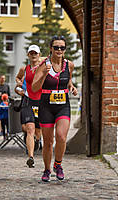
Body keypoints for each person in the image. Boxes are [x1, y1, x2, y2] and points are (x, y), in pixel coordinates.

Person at [32, 36, 78, 182]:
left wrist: (71, 86)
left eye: (62, 48)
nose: (59, 50)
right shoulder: (43, 65)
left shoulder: (69, 65)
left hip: (63, 105)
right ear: (51, 48)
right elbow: (34, 87)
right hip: (46, 106)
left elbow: (68, 79)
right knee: (48, 142)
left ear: (65, 49)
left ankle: (58, 164)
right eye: (56, 47)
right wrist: (45, 73)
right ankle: (47, 169)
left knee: (61, 136)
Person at [15, 44, 42, 168]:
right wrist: (19, 86)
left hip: (41, 101)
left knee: (38, 129)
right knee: (29, 128)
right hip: (28, 100)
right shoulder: (24, 69)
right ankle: (30, 157)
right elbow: (18, 78)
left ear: (39, 55)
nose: (33, 55)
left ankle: (37, 140)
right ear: (28, 55)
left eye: (35, 53)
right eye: (31, 53)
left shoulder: (44, 68)